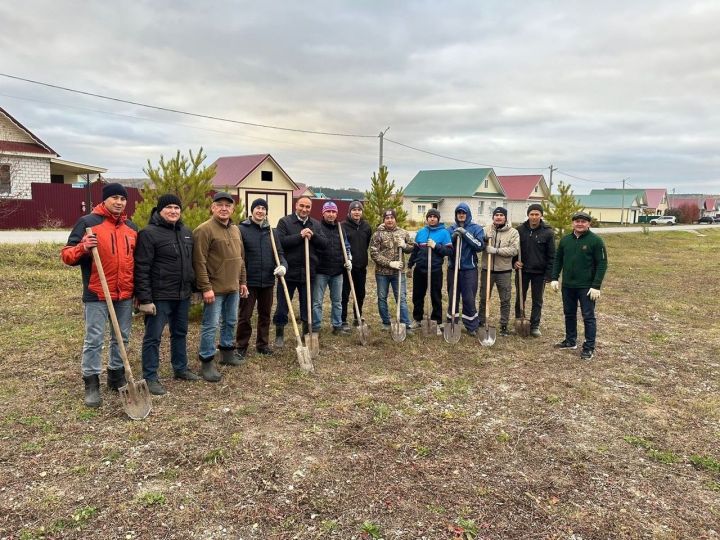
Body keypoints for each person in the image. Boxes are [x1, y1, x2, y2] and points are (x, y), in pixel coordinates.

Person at [61, 182, 138, 408]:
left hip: (124, 293)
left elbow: (136, 262)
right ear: (104, 200)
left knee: (121, 337)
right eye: (114, 197)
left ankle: (116, 375)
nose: (119, 202)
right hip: (97, 292)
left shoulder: (131, 228)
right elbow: (66, 256)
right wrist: (82, 247)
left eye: (122, 199)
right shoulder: (88, 223)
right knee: (94, 339)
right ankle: (91, 382)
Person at [134, 194, 201, 396]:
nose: (173, 211)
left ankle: (180, 368)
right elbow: (142, 267)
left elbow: (192, 263)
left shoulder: (186, 232)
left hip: (182, 294)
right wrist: (144, 299)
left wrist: (195, 288)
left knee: (180, 333)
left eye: (177, 208)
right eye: (169, 207)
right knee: (153, 337)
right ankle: (150, 376)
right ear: (160, 210)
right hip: (160, 295)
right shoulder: (148, 233)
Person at [193, 192, 248, 382]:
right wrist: (205, 287)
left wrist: (242, 281)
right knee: (211, 325)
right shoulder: (204, 230)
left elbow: (240, 259)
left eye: (228, 205)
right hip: (214, 288)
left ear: (233, 209)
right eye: (220, 205)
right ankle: (207, 361)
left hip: (233, 287)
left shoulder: (235, 229)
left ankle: (226, 353)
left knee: (231, 321)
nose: (224, 208)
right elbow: (199, 261)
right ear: (212, 208)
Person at [551, 211, 608, 360]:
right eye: (577, 221)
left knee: (588, 317)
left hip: (586, 287)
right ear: (573, 223)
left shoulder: (595, 241)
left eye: (583, 221)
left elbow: (602, 264)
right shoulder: (565, 240)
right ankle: (570, 340)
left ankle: (589, 347)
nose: (580, 224)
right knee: (569, 313)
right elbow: (558, 260)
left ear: (588, 224)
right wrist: (554, 277)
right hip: (568, 285)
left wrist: (596, 285)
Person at [235, 198, 287, 360]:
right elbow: (238, 256)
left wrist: (283, 266)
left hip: (267, 280)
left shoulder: (271, 232)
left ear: (266, 212)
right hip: (249, 281)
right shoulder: (241, 229)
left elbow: (279, 254)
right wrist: (241, 279)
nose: (260, 211)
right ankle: (241, 345)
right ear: (252, 211)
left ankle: (262, 344)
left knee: (265, 314)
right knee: (245, 315)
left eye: (263, 209)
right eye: (257, 208)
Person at [274, 196, 328, 347]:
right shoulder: (285, 222)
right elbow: (281, 242)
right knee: (282, 305)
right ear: (296, 205)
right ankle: (279, 334)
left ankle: (306, 333)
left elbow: (324, 244)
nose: (304, 209)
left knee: (307, 305)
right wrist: (299, 236)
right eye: (302, 206)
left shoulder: (315, 224)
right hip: (288, 272)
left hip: (308, 273)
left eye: (308, 207)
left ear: (311, 209)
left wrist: (313, 236)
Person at [513, 203, 556, 337]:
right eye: (532, 214)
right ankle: (519, 321)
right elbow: (514, 249)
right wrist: (514, 262)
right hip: (522, 271)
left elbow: (552, 255)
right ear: (528, 215)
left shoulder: (548, 232)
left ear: (541, 215)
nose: (534, 217)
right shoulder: (520, 230)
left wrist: (549, 275)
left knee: (537, 300)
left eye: (537, 214)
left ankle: (534, 325)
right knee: (520, 297)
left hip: (539, 273)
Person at [407, 209, 452, 333]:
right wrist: (410, 266)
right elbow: (415, 251)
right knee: (418, 295)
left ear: (438, 218)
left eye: (434, 217)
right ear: (427, 219)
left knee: (435, 296)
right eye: (430, 216)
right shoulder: (421, 232)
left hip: (435, 270)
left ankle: (436, 321)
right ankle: (417, 319)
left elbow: (449, 251)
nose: (432, 219)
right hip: (420, 269)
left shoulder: (444, 233)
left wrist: (436, 246)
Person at [369, 209, 415, 330]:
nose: (390, 220)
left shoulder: (403, 233)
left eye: (392, 218)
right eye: (387, 218)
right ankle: (385, 322)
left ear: (395, 219)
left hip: (398, 273)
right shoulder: (377, 234)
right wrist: (390, 263)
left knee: (401, 297)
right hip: (382, 273)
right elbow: (374, 254)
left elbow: (412, 247)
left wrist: (404, 246)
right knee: (382, 297)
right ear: (384, 220)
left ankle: (405, 323)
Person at [479, 207, 520, 337]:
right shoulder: (486, 230)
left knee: (505, 299)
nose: (498, 217)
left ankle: (503, 325)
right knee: (484, 298)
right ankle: (481, 322)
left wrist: (496, 250)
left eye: (501, 215)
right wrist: (484, 240)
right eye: (496, 215)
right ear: (493, 217)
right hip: (487, 270)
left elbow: (514, 250)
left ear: (505, 217)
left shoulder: (513, 232)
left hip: (504, 271)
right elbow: (477, 244)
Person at [313, 201, 352, 335]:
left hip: (337, 271)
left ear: (336, 213)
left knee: (337, 301)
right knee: (317, 301)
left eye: (333, 212)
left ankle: (337, 326)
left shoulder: (341, 228)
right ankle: (316, 327)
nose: (331, 214)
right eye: (328, 211)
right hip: (321, 271)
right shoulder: (317, 227)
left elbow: (346, 245)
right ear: (323, 213)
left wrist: (348, 258)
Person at [445, 203, 485, 335]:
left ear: (468, 214)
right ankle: (452, 324)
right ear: (456, 215)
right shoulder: (450, 229)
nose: (461, 215)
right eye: (459, 213)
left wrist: (465, 234)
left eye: (464, 213)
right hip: (453, 268)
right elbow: (447, 248)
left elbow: (479, 245)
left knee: (469, 298)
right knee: (453, 296)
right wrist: (454, 237)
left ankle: (471, 326)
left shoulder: (476, 228)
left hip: (469, 269)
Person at [340, 200, 372, 330]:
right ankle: (342, 320)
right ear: (350, 211)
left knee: (360, 293)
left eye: (359, 210)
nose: (357, 212)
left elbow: (367, 243)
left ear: (361, 212)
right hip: (347, 267)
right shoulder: (342, 226)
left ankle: (357, 316)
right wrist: (346, 260)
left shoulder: (366, 227)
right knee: (344, 293)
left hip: (361, 266)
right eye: (354, 210)